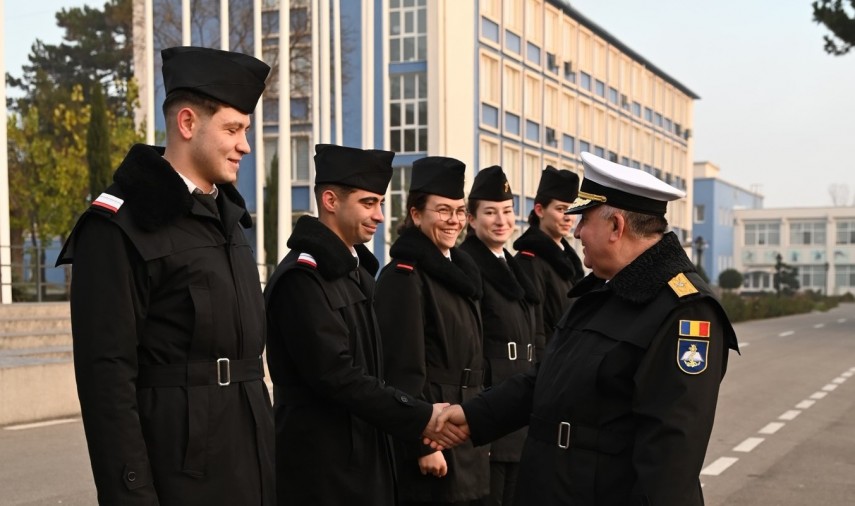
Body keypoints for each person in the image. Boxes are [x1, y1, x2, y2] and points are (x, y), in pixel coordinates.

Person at [434, 152, 740, 505]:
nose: (576, 230)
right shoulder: (600, 290)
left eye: (584, 219)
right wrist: (472, 415)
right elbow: (546, 380)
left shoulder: (685, 312)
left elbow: (670, 456)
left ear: (616, 227)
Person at [56, 46, 274, 505]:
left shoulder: (230, 221)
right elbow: (107, 382)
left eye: (246, 130)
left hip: (250, 466)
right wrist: (131, 493)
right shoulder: (119, 226)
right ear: (188, 123)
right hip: (180, 478)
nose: (245, 146)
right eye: (233, 129)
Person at [263, 144, 462, 506]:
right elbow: (336, 376)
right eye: (368, 203)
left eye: (381, 203)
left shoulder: (356, 274)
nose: (380, 216)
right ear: (330, 200)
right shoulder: (303, 279)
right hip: (324, 466)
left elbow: (379, 369)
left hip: (365, 453)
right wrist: (418, 416)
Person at [375, 156, 490, 505]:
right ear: (415, 214)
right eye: (442, 211)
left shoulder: (461, 272)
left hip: (465, 424)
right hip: (433, 434)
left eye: (458, 211)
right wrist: (421, 445)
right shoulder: (404, 277)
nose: (453, 221)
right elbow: (401, 369)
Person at [459, 166, 541, 506]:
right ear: (472, 218)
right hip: (491, 406)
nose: (501, 220)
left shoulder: (514, 266)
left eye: (507, 212)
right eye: (490, 212)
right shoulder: (466, 265)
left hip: (519, 410)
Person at [512, 166, 584, 349]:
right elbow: (535, 328)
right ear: (539, 210)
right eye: (561, 209)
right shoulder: (529, 260)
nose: (568, 217)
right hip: (550, 365)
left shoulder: (569, 262)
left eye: (573, 211)